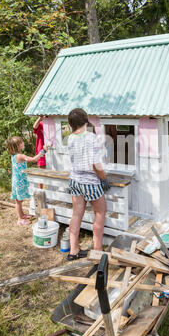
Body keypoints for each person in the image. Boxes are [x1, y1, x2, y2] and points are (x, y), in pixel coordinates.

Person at [67, 108, 110, 261]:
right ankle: (97, 249)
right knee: (100, 212)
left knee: (76, 214)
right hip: (90, 182)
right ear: (85, 121)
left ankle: (73, 250)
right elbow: (95, 164)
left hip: (75, 181)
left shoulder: (70, 138)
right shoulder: (91, 137)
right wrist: (104, 178)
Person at [7, 136, 46, 225]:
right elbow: (33, 159)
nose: (23, 143)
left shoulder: (14, 156)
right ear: (17, 146)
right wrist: (42, 152)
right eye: (22, 142)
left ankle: (22, 215)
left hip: (17, 181)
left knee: (19, 200)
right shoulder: (20, 156)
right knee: (18, 201)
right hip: (19, 182)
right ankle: (20, 219)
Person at [33, 116, 46, 188]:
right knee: (41, 171)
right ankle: (40, 190)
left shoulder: (52, 124)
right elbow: (34, 127)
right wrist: (40, 118)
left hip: (51, 151)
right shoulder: (40, 124)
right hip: (41, 151)